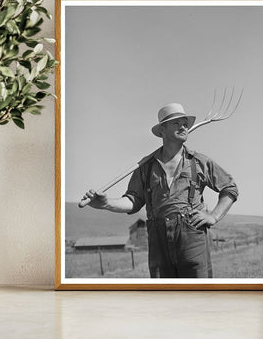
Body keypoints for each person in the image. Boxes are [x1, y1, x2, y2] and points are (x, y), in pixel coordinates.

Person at [82, 103, 239, 278]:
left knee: (199, 295)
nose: (183, 126)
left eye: (185, 123)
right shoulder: (145, 166)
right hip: (158, 238)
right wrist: (106, 203)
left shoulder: (199, 162)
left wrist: (214, 216)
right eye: (176, 123)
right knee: (163, 295)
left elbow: (229, 188)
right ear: (162, 130)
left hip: (192, 235)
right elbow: (133, 201)